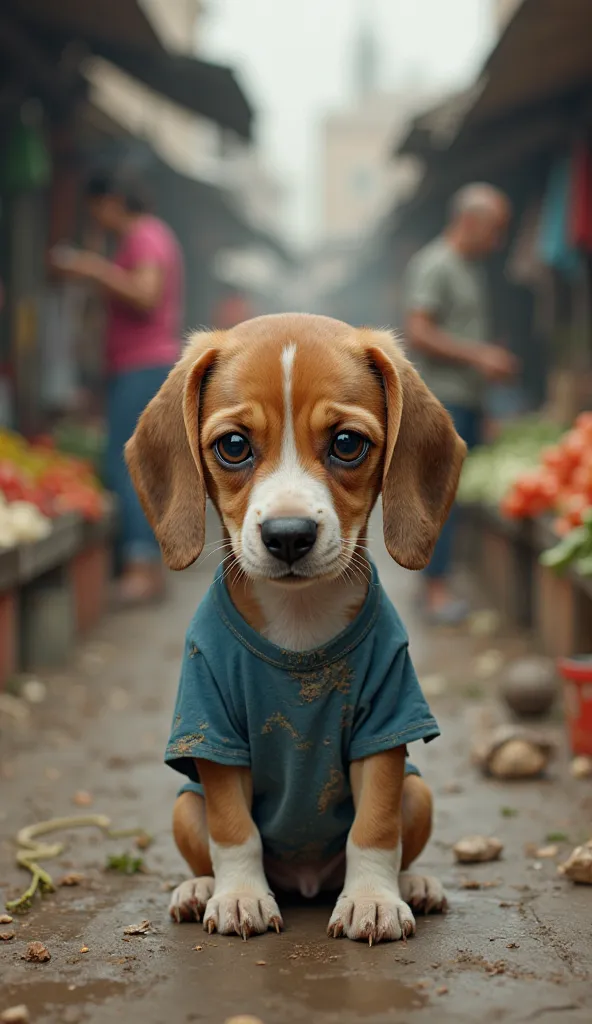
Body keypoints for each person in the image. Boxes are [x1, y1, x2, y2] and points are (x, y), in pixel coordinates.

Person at [51, 171, 183, 605]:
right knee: (139, 462)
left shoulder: (144, 236)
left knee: (130, 464)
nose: (97, 220)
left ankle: (140, 566)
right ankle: (146, 564)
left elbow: (145, 294)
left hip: (142, 365)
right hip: (138, 365)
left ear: (110, 202)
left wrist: (90, 268)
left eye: (96, 211)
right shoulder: (148, 236)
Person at [404, 183, 518, 625]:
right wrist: (480, 355)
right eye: (494, 230)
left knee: (447, 497)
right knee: (440, 497)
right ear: (469, 222)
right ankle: (435, 593)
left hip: (464, 398)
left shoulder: (470, 268)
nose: (498, 241)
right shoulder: (437, 264)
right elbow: (418, 331)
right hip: (441, 399)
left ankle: (434, 584)